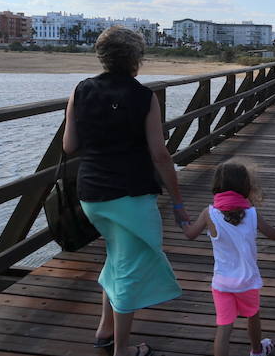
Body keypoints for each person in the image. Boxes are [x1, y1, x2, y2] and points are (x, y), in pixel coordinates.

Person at [63, 25, 190, 356]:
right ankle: (122, 350)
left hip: (92, 195)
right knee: (130, 271)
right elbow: (160, 155)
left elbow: (70, 144)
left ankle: (105, 330)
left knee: (118, 259)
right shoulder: (143, 97)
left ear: (102, 57)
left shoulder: (80, 90)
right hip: (131, 196)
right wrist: (177, 201)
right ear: (137, 59)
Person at [184, 160, 275, 356]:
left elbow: (190, 234)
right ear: (244, 186)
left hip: (222, 283)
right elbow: (274, 234)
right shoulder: (251, 214)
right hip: (247, 281)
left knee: (224, 327)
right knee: (253, 316)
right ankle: (256, 350)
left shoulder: (209, 214)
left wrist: (182, 218)